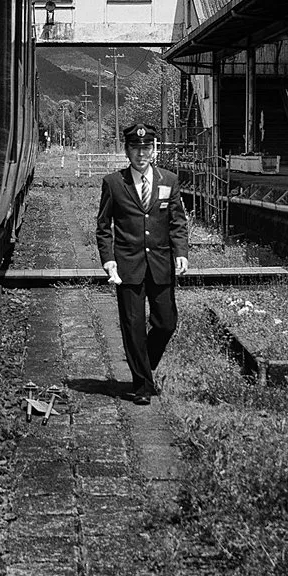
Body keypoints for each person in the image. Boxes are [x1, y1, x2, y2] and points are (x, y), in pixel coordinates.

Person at [95, 123, 190, 404]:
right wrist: (109, 260)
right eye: (135, 148)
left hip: (161, 264)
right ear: (126, 150)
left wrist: (181, 252)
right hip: (128, 266)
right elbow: (103, 227)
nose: (141, 154)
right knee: (133, 326)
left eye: (146, 148)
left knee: (166, 323)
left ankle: (142, 364)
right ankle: (142, 386)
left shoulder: (169, 180)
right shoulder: (114, 183)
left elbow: (177, 221)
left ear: (154, 149)